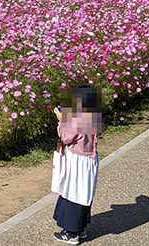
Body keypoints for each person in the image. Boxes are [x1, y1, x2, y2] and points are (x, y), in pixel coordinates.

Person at [52, 86, 103, 245]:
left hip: (78, 161)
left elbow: (66, 137)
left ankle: (72, 233)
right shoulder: (94, 115)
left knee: (73, 194)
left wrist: (61, 120)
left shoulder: (78, 119)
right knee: (83, 194)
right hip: (89, 161)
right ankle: (81, 229)